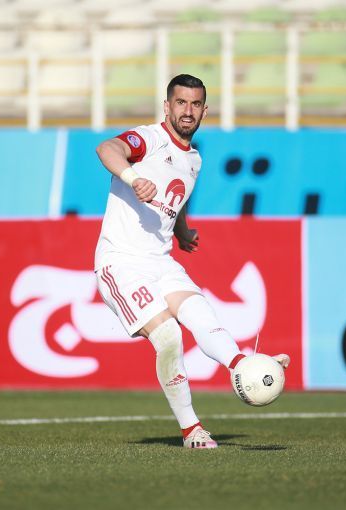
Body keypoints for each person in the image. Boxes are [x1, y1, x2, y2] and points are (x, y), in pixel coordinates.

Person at [94, 74, 289, 449]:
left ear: (204, 110)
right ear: (167, 106)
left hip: (161, 259)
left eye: (195, 104)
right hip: (121, 262)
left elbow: (176, 197)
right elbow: (107, 148)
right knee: (169, 336)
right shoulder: (149, 139)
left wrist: (182, 230)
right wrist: (133, 178)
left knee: (201, 314)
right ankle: (191, 429)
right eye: (180, 103)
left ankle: (243, 367)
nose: (188, 111)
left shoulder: (193, 160)